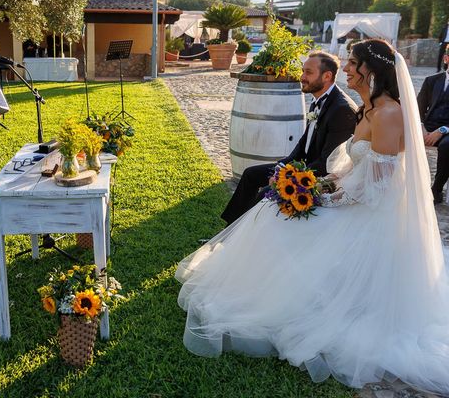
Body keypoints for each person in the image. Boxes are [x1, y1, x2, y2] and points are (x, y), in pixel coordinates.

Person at [177, 39, 449, 394]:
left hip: (372, 215)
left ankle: (281, 301)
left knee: (287, 222)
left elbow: (377, 188)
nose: (347, 69)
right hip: (354, 196)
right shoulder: (368, 109)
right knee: (275, 210)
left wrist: (322, 200)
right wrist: (316, 183)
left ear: (371, 70)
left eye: (352, 63)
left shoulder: (389, 114)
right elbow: (353, 167)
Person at [221, 51, 357, 224]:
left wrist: (285, 177)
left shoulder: (341, 110)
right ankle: (230, 228)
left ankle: (246, 233)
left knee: (266, 194)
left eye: (308, 72)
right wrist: (282, 166)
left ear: (327, 76)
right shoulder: (318, 100)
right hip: (303, 167)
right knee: (250, 175)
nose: (302, 77)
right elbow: (303, 145)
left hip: (320, 178)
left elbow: (328, 163)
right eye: (303, 71)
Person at [418, 48, 449, 203]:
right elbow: (417, 108)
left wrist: (442, 131)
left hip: (447, 131)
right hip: (426, 125)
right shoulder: (431, 80)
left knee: (447, 146)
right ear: (446, 59)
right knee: (400, 135)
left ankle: (436, 189)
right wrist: (421, 127)